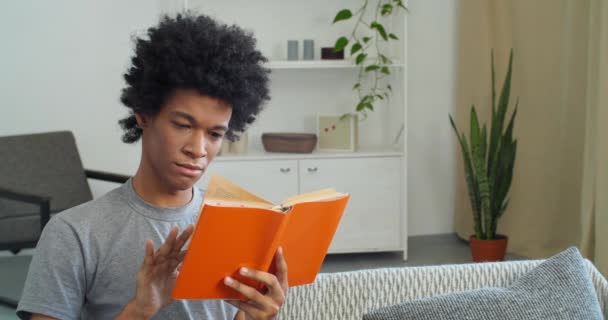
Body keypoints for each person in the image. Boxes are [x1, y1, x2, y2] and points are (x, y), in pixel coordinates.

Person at [16, 12, 288, 320]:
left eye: (214, 134)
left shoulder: (239, 227)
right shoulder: (74, 233)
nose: (198, 150)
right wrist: (139, 311)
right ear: (144, 114)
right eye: (183, 125)